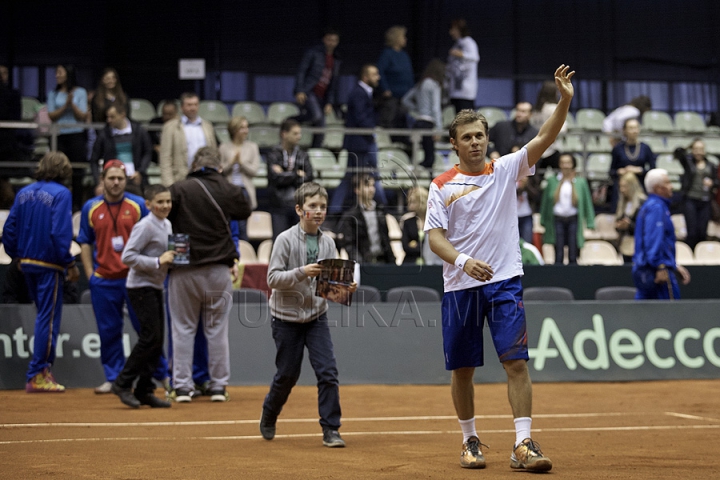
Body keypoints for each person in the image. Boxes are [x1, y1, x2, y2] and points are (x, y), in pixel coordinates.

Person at [426, 64, 575, 472]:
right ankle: (469, 440)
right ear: (454, 144)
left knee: (516, 363)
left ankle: (522, 443)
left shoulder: (507, 168)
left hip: (506, 281)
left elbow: (545, 136)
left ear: (487, 140)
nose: (474, 142)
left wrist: (564, 100)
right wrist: (463, 260)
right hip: (460, 285)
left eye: (480, 136)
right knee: (463, 370)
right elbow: (435, 238)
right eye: (466, 138)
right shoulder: (440, 186)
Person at [260, 181, 357, 448]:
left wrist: (345, 288)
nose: (318, 211)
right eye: (312, 206)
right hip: (285, 319)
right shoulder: (284, 239)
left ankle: (331, 429)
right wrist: (303, 271)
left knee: (328, 372)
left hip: (316, 317)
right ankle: (270, 412)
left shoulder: (328, 243)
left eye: (322, 206)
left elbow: (329, 291)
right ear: (299, 209)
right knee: (287, 375)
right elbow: (272, 279)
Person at [167, 146, 251, 403]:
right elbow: (245, 210)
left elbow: (163, 216)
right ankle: (218, 387)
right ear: (219, 167)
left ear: (194, 165)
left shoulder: (179, 188)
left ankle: (182, 387)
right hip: (218, 269)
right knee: (216, 331)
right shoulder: (228, 189)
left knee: (183, 330)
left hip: (184, 268)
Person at [77, 160, 169, 393]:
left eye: (120, 178)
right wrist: (90, 274)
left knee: (149, 331)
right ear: (102, 180)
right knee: (108, 331)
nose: (116, 182)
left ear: (126, 179)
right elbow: (85, 242)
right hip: (104, 279)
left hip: (135, 280)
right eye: (111, 178)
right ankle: (114, 377)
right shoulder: (91, 207)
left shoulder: (138, 205)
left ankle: (161, 375)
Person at [1, 152, 80, 392]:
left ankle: (39, 371)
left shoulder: (24, 192)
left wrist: (17, 255)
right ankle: (38, 373)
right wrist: (69, 262)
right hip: (49, 264)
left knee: (41, 316)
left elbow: (9, 229)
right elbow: (59, 232)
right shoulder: (62, 193)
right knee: (48, 317)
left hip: (26, 262)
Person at [111, 184, 175, 409]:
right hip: (139, 287)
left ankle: (144, 390)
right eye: (161, 202)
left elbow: (165, 255)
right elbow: (128, 256)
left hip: (156, 286)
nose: (165, 205)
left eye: (168, 201)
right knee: (149, 338)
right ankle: (122, 383)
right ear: (148, 204)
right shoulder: (145, 226)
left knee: (156, 341)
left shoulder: (166, 224)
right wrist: (158, 262)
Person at [328, 64, 387, 216]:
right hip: (360, 143)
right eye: (374, 74)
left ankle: (336, 209)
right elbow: (361, 118)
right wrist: (372, 130)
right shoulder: (359, 93)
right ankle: (381, 207)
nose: (378, 77)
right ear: (365, 77)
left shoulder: (365, 92)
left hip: (362, 142)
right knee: (366, 177)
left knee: (351, 177)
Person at [633, 168, 691, 299]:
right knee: (669, 314)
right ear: (658, 188)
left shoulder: (651, 206)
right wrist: (661, 266)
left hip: (647, 268)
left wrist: (674, 265)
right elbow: (653, 240)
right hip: (655, 271)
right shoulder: (656, 208)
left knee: (643, 313)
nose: (671, 186)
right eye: (668, 182)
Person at [539, 153, 595, 265]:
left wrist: (590, 221)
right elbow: (545, 202)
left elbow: (586, 202)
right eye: (563, 163)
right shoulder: (552, 181)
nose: (566, 166)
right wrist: (543, 220)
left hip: (573, 219)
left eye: (568, 162)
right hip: (557, 219)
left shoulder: (580, 182)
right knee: (558, 250)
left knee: (573, 250)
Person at [47, 64, 88, 210]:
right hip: (59, 135)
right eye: (56, 72)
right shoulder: (53, 93)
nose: (57, 75)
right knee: (57, 170)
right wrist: (66, 105)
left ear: (68, 74)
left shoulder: (80, 92)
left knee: (77, 172)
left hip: (76, 135)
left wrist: (73, 105)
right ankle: (57, 202)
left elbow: (83, 116)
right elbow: (51, 116)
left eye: (59, 72)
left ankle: (76, 204)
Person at [266, 119, 313, 239]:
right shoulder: (273, 153)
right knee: (280, 243)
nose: (299, 137)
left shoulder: (303, 155)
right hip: (278, 204)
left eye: (300, 133)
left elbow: (308, 177)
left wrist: (285, 174)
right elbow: (275, 178)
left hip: (298, 204)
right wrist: (297, 174)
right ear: (284, 134)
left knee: (299, 243)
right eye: (295, 133)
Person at [294, 28, 341, 149]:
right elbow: (301, 71)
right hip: (309, 91)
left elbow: (333, 83)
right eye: (329, 39)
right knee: (316, 116)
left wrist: (330, 102)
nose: (332, 43)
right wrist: (300, 90)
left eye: (334, 40)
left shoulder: (336, 59)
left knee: (321, 127)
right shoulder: (313, 53)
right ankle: (291, 120)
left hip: (323, 96)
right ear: (324, 40)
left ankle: (314, 152)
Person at [336, 173, 396, 265]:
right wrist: (360, 264)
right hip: (363, 264)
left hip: (382, 261)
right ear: (357, 190)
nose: (371, 189)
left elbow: (386, 239)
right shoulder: (350, 216)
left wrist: (392, 262)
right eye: (367, 185)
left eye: (372, 185)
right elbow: (350, 245)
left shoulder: (380, 211)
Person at [90, 103, 153, 189]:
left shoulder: (138, 130)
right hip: (113, 179)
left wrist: (140, 171)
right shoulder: (104, 134)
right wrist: (98, 181)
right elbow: (94, 159)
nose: (109, 120)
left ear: (122, 115)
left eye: (112, 117)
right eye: (107, 117)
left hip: (135, 178)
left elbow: (148, 152)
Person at [159, 92, 217, 186]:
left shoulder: (207, 126)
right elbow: (165, 158)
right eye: (189, 105)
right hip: (180, 179)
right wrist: (169, 184)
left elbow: (214, 154)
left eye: (195, 104)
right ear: (182, 107)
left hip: (205, 178)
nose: (193, 108)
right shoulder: (170, 127)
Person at [219, 116, 260, 241]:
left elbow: (254, 171)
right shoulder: (223, 147)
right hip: (228, 190)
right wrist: (231, 162)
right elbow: (220, 170)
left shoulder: (252, 147)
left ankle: (243, 252)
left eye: (247, 127)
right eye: (242, 127)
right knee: (227, 224)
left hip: (244, 190)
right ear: (234, 129)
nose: (246, 130)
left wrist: (241, 163)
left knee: (242, 226)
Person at [674, 139, 719, 250]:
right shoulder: (688, 163)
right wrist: (688, 147)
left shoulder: (711, 165)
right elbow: (678, 152)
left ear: (704, 151)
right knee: (692, 231)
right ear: (692, 150)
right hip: (690, 199)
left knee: (702, 231)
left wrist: (712, 183)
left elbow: (717, 182)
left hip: (705, 200)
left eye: (701, 149)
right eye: (695, 149)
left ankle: (701, 253)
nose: (698, 152)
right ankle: (690, 254)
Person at [402, 59, 445, 171]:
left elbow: (405, 100)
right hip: (428, 123)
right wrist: (439, 128)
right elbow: (436, 107)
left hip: (418, 122)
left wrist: (418, 110)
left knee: (417, 155)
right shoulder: (434, 85)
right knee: (429, 159)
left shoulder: (420, 84)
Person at [376, 25, 414, 131]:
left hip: (405, 96)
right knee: (388, 120)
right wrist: (385, 89)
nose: (405, 39)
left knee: (403, 120)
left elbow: (409, 75)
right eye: (403, 37)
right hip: (391, 96)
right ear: (396, 38)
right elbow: (380, 72)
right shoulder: (387, 54)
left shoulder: (404, 55)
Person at [609, 118, 656, 194]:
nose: (634, 131)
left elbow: (653, 170)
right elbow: (611, 171)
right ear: (625, 130)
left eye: (636, 128)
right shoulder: (618, 148)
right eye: (630, 128)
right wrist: (620, 171)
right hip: (622, 187)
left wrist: (640, 170)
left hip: (640, 186)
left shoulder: (645, 148)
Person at [530, 81, 567, 169]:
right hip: (551, 148)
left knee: (536, 177)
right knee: (558, 174)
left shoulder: (535, 109)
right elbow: (562, 129)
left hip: (537, 148)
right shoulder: (553, 108)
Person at [400, 186, 442, 265]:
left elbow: (436, 246)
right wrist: (424, 247)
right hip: (410, 263)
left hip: (431, 263)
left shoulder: (434, 222)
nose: (409, 205)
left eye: (413, 202)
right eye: (409, 202)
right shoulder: (407, 222)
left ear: (421, 202)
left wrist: (416, 245)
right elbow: (405, 247)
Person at [446, 18, 479, 113]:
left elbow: (475, 57)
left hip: (465, 90)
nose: (451, 32)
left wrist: (462, 54)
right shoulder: (457, 44)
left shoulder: (469, 42)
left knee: (466, 119)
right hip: (455, 90)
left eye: (453, 29)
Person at [615, 172, 647, 262]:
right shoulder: (622, 203)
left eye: (624, 186)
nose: (622, 190)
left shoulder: (643, 203)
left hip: (639, 244)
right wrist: (619, 225)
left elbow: (645, 227)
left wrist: (630, 226)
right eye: (620, 186)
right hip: (625, 244)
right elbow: (618, 222)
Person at [0, 64, 22, 162]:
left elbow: (17, 117)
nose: (2, 76)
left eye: (4, 73)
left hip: (8, 136)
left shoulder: (13, 94)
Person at [149, 100, 178, 164]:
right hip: (157, 156)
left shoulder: (181, 125)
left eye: (170, 114)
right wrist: (154, 146)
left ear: (176, 114)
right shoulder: (154, 122)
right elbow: (148, 141)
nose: (167, 117)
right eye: (164, 114)